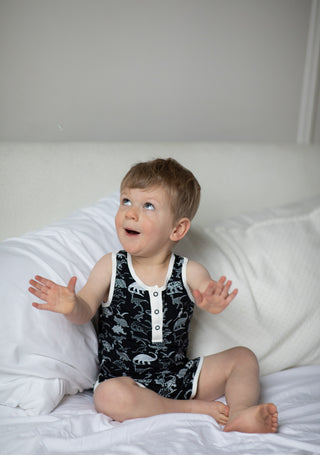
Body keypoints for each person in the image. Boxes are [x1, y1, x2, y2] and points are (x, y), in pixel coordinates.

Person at [29, 158, 278, 433]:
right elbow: (86, 308)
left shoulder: (188, 270)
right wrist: (72, 304)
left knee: (243, 358)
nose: (131, 213)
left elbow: (204, 287)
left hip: (178, 377)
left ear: (177, 229)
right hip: (125, 383)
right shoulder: (111, 266)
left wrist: (212, 300)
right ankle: (189, 409)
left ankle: (240, 413)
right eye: (126, 200)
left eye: (148, 205)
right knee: (106, 396)